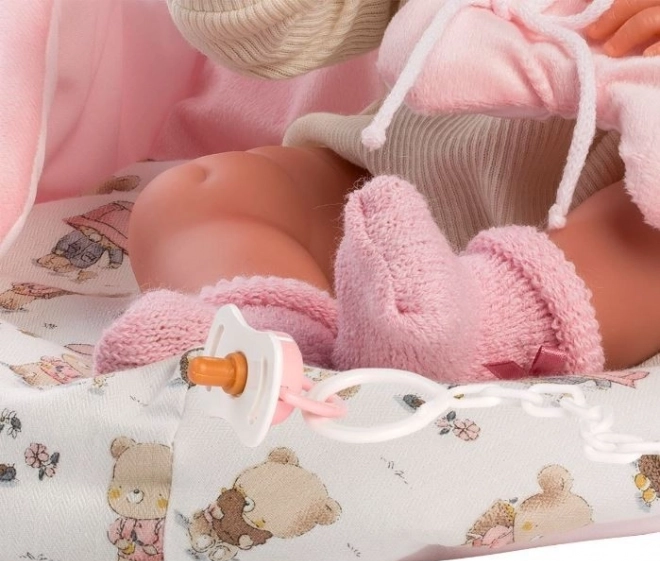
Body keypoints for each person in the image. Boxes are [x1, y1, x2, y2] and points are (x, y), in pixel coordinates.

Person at [93, 0, 660, 382]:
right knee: (199, 196)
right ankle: (275, 340)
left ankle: (488, 330)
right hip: (399, 173)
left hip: (621, 196)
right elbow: (267, 32)